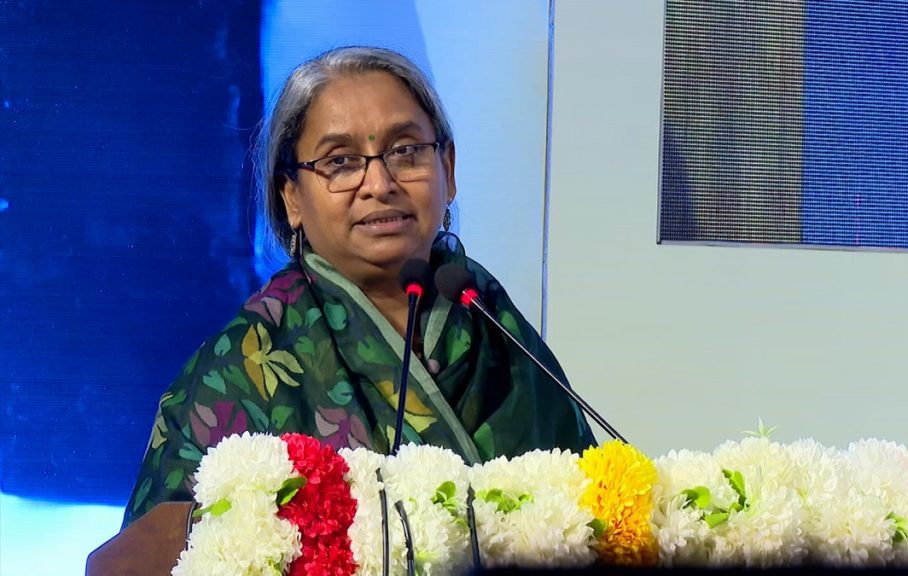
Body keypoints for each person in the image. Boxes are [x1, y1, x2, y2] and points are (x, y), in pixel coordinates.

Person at [123, 46, 595, 526]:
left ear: (448, 170)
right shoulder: (237, 371)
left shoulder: (502, 335)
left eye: (406, 151)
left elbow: (592, 524)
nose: (379, 183)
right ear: (292, 198)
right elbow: (155, 549)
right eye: (341, 161)